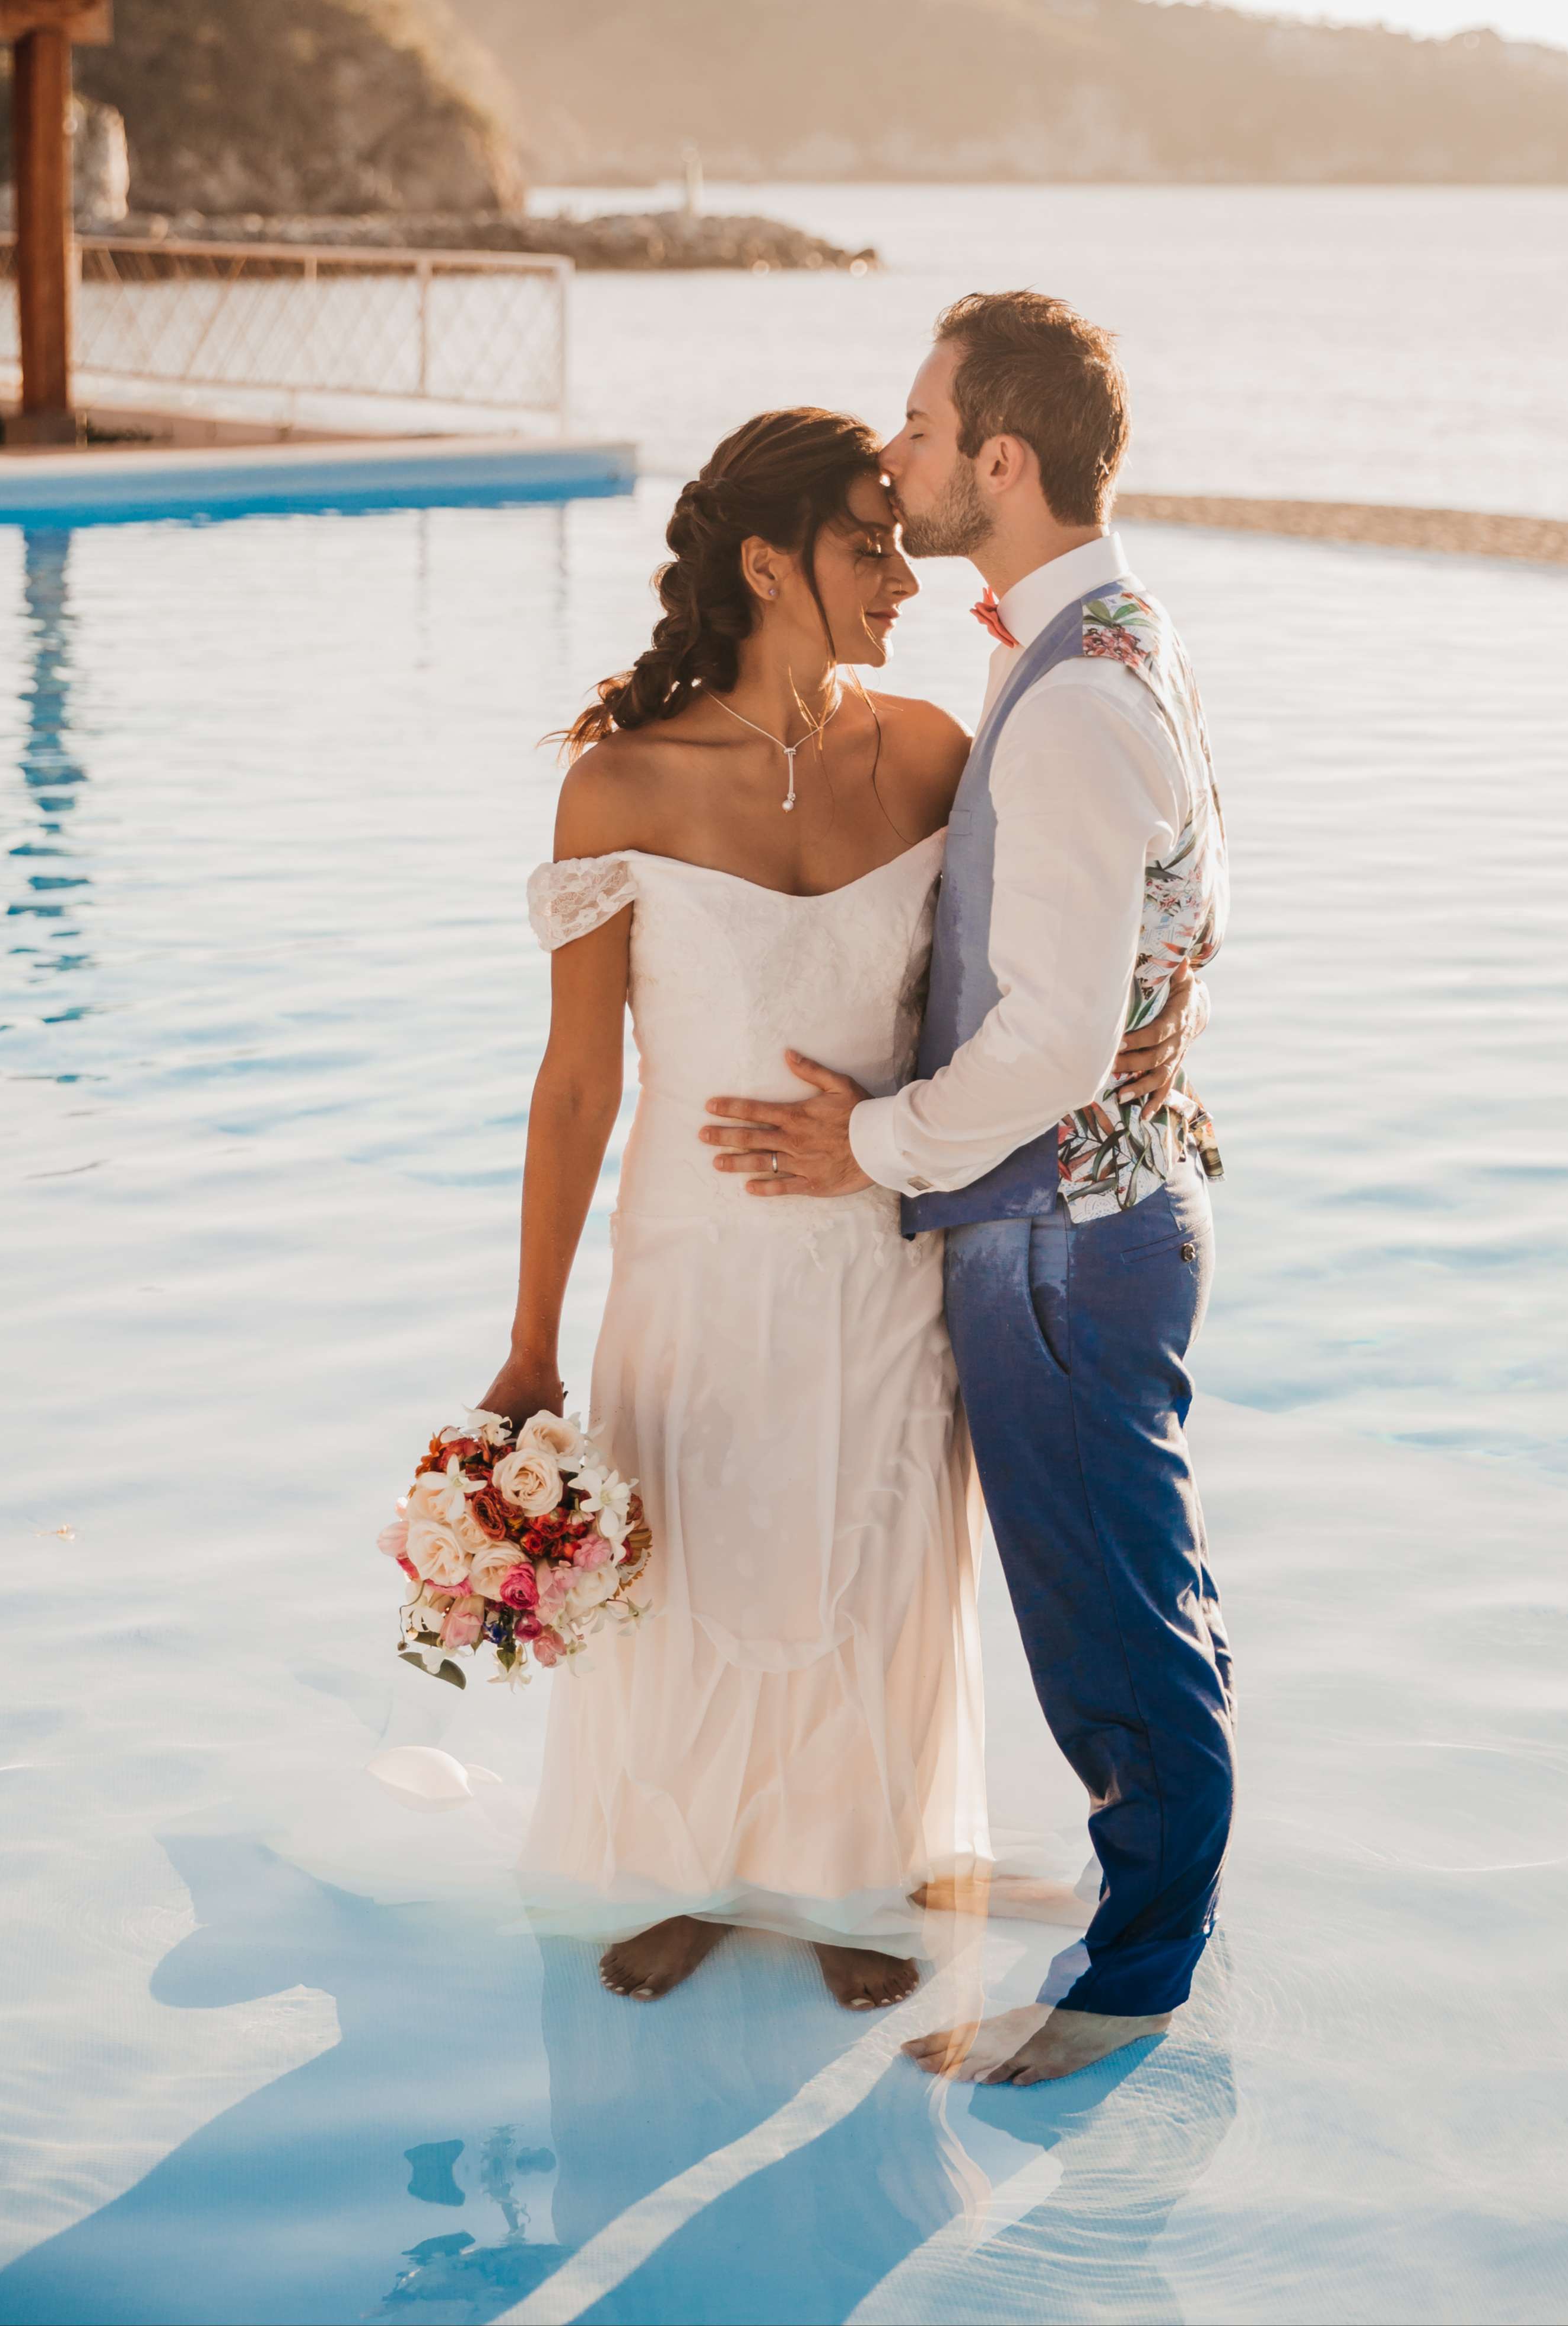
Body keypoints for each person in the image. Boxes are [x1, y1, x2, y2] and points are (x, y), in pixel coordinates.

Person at [478, 405, 1196, 2014]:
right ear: (763, 564)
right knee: (691, 1561)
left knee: (871, 1555)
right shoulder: (619, 788)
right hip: (692, 1258)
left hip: (882, 1249)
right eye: (868, 548)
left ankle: (850, 1870)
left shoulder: (934, 751)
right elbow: (577, 1085)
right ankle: (681, 1871)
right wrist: (530, 1345)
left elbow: (1052, 964)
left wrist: (1161, 1025)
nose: (905, 577)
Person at [702, 293, 1236, 2087]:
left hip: (1061, 1244)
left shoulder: (1072, 697)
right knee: (1134, 1605)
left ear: (1002, 460)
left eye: (923, 426)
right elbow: (1172, 926)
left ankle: (1131, 1983)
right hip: (1097, 1217)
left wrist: (861, 1144)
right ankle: (1143, 1922)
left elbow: (1052, 1048)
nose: (898, 452)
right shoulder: (1115, 638)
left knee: (1114, 1633)